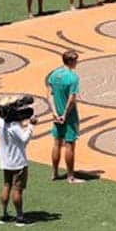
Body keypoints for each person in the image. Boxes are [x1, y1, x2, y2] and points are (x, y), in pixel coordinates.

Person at [0, 96, 38, 226]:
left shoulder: (0, 122)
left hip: (5, 161)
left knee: (6, 185)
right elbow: (24, 139)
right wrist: (31, 125)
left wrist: (23, 122)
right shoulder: (14, 126)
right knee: (17, 189)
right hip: (18, 162)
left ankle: (3, 214)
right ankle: (20, 217)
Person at [47, 50, 82, 183]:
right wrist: (65, 114)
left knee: (56, 143)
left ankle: (54, 173)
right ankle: (70, 176)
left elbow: (49, 94)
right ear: (71, 61)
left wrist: (54, 112)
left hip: (56, 115)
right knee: (69, 145)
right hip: (69, 117)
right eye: (76, 60)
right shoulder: (73, 78)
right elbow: (72, 98)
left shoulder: (54, 75)